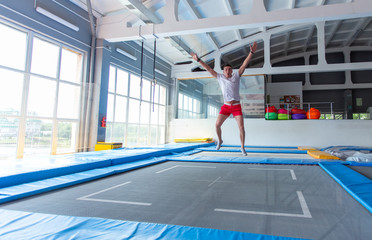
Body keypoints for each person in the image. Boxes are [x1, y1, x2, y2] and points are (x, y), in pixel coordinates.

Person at [191, 42, 257, 156]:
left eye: (229, 69)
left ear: (232, 71)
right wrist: (198, 60)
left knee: (241, 127)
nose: (227, 71)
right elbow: (208, 69)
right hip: (226, 106)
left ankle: (242, 147)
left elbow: (244, 65)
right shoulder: (220, 77)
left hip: (236, 106)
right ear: (223, 71)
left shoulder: (236, 76)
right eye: (226, 69)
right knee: (217, 125)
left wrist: (251, 52)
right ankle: (220, 140)